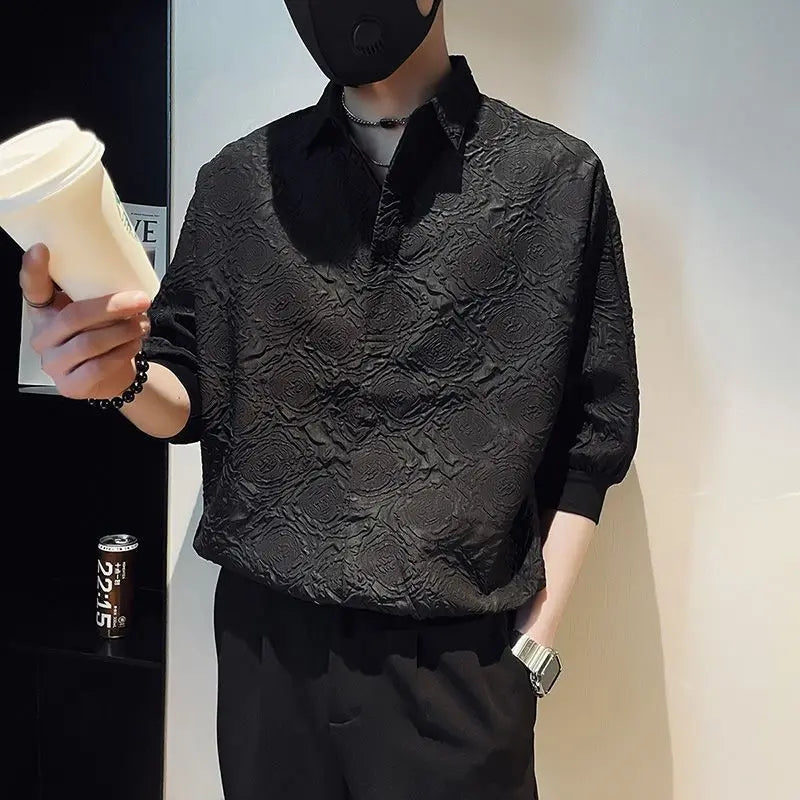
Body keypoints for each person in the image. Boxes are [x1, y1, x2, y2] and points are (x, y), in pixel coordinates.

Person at [19, 1, 639, 797]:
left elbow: (597, 428)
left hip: (458, 662)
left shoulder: (555, 181)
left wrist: (533, 648)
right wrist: (121, 377)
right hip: (269, 653)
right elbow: (190, 388)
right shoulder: (241, 181)